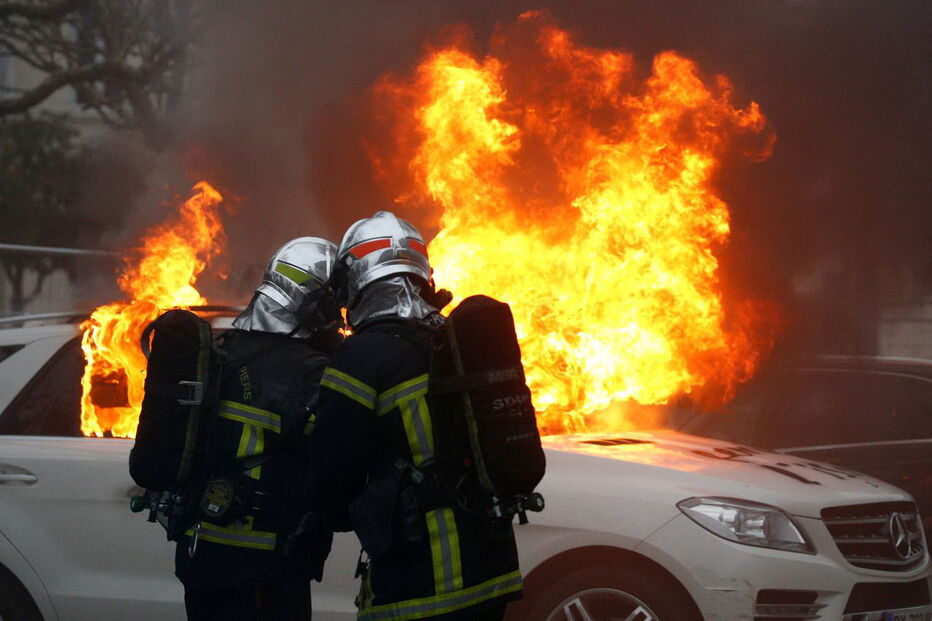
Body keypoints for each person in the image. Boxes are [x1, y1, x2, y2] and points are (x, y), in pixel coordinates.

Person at [308, 211, 523, 621]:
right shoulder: (453, 339)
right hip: (491, 570)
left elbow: (331, 477)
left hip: (423, 582)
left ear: (355, 279)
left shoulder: (361, 357)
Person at [176, 236, 342, 621]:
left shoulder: (223, 349)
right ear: (318, 304)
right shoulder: (307, 372)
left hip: (200, 552)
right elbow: (336, 457)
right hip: (263, 566)